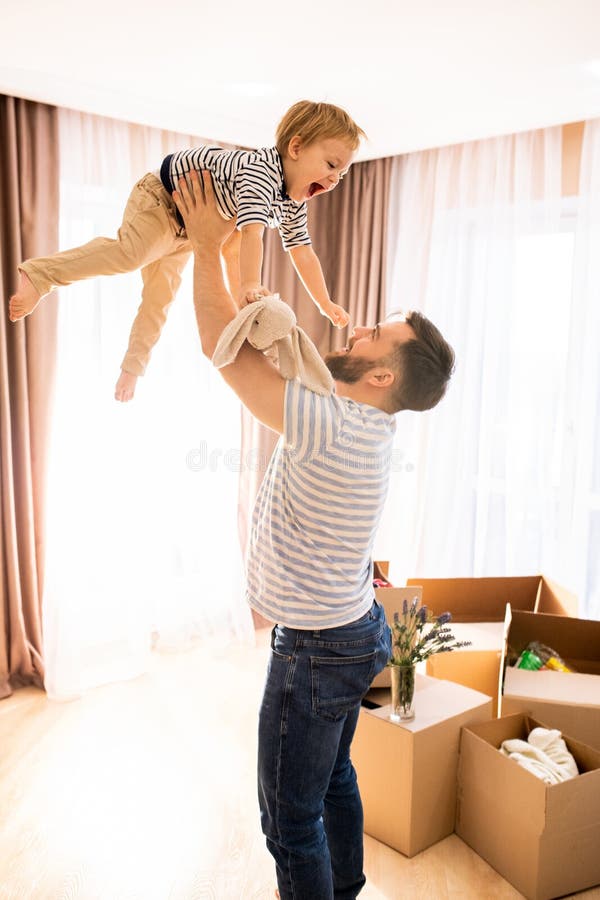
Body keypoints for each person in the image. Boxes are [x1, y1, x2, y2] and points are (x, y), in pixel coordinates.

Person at [173, 171, 455, 900]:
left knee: (287, 820)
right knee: (333, 778)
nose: (354, 329)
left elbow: (220, 349)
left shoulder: (334, 421)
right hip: (354, 631)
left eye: (373, 334)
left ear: (383, 374)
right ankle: (349, 887)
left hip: (317, 648)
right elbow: (295, 362)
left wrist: (207, 247)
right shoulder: (368, 419)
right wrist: (245, 273)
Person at [9, 100, 363, 402]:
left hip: (189, 229)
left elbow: (303, 252)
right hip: (163, 199)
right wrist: (246, 286)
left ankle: (133, 367)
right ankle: (38, 274)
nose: (334, 180)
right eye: (331, 166)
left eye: (342, 174)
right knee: (131, 254)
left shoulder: (293, 202)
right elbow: (251, 236)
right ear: (296, 148)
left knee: (160, 298)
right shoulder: (262, 174)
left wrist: (324, 303)